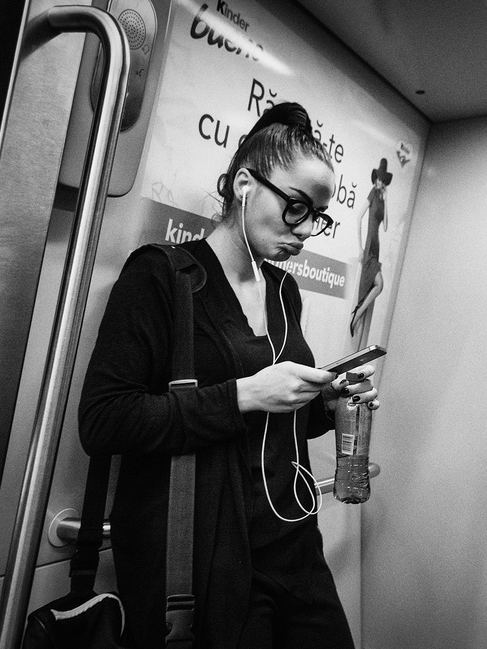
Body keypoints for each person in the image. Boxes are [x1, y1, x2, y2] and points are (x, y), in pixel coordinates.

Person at [79, 103, 379, 649]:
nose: (305, 230)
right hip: (211, 561)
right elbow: (105, 421)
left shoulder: (284, 290)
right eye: (295, 207)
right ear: (245, 184)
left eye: (317, 215)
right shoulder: (163, 276)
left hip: (294, 543)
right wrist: (243, 394)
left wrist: (326, 405)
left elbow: (275, 420)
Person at [349, 158, 391, 347]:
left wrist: (387, 201)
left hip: (376, 247)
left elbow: (386, 226)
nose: (379, 182)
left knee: (376, 286)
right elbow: (359, 217)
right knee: (379, 285)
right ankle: (357, 314)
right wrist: (360, 247)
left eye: (382, 180)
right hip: (368, 246)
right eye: (378, 179)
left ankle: (358, 315)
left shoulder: (381, 198)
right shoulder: (373, 193)